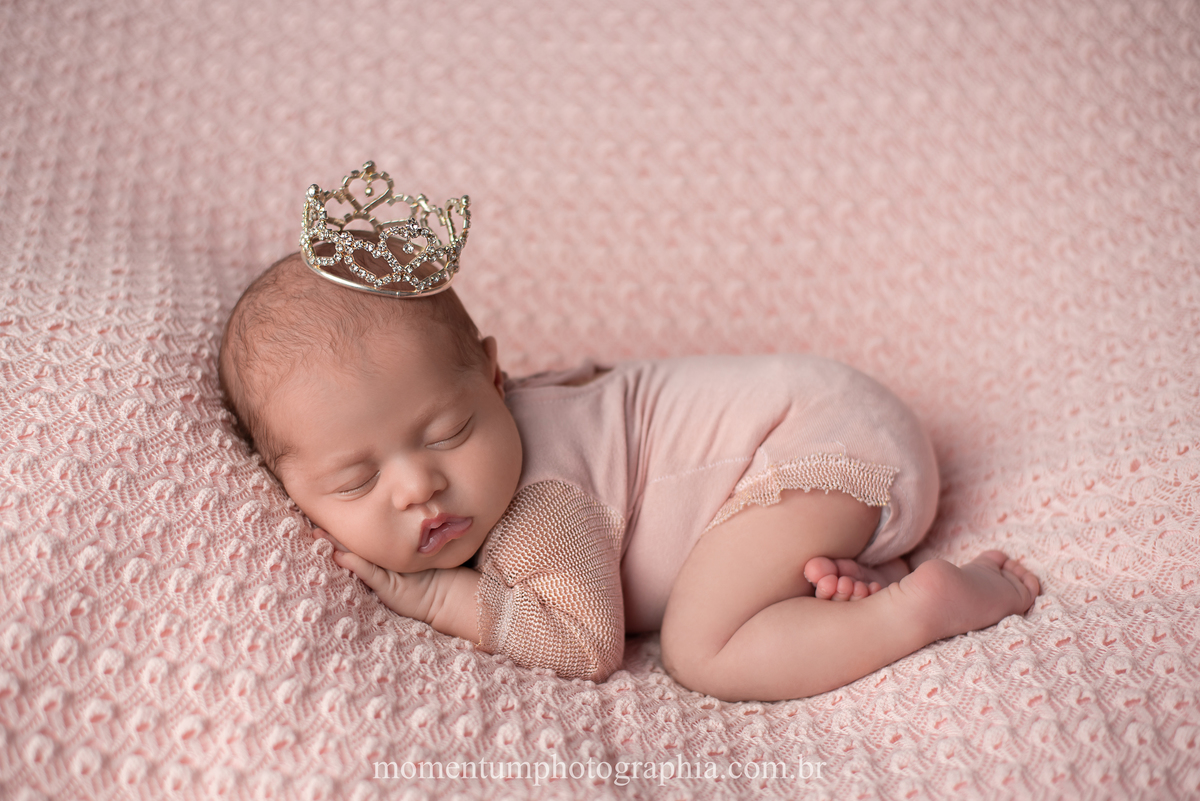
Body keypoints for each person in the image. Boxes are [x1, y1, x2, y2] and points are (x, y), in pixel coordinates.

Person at [218, 166, 1039, 702]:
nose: (417, 486)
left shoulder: (539, 505)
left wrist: (436, 594)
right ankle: (837, 573)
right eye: (356, 481)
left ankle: (921, 605)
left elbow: (585, 643)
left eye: (449, 431)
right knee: (730, 580)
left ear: (497, 380)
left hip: (817, 443)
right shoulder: (505, 424)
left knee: (703, 647)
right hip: (831, 418)